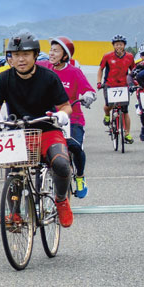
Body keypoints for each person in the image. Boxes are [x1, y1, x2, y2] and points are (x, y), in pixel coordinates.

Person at [0, 32, 74, 227]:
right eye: (15, 55)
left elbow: (65, 106)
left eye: (25, 54)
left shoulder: (49, 77)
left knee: (61, 164)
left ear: (35, 55)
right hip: (18, 132)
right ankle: (15, 213)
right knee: (12, 172)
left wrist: (63, 115)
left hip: (47, 130)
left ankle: (61, 200)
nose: (20, 59)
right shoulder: (3, 79)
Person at [41, 36, 95, 197]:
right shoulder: (43, 67)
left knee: (75, 147)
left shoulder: (74, 72)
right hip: (48, 117)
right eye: (51, 49)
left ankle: (79, 176)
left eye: (56, 51)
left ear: (65, 55)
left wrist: (88, 95)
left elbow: (88, 89)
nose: (51, 53)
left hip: (73, 118)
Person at [97, 34, 135, 143]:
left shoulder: (130, 57)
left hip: (124, 85)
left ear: (124, 46)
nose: (119, 46)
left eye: (121, 44)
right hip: (110, 85)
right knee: (109, 105)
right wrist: (99, 82)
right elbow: (101, 69)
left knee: (125, 110)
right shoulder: (107, 56)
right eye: (117, 44)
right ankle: (107, 115)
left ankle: (127, 133)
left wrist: (134, 83)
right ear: (113, 45)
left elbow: (133, 71)